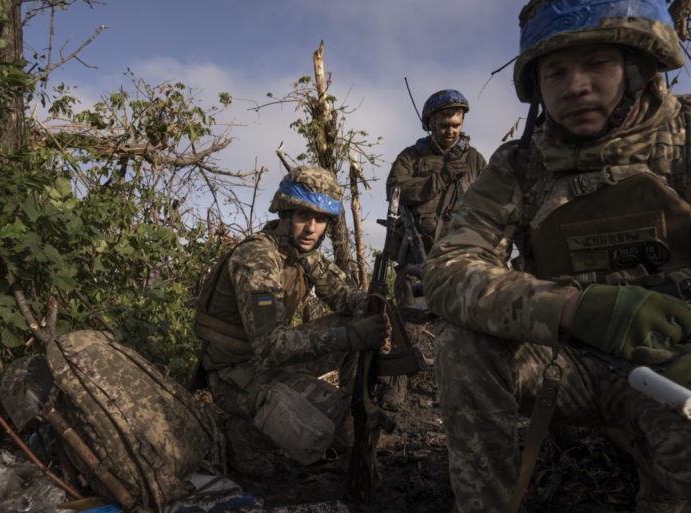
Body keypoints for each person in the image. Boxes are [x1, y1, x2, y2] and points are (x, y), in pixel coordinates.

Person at [422, 1, 691, 512]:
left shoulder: (684, 138)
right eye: (556, 72)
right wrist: (573, 310)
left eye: (597, 64)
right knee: (463, 344)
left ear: (636, 67)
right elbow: (447, 268)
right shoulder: (521, 164)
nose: (575, 86)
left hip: (675, 366)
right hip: (571, 362)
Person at [193, 165, 391, 474]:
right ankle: (243, 435)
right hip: (235, 374)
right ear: (285, 215)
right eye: (303, 217)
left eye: (321, 219)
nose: (312, 228)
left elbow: (343, 294)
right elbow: (271, 346)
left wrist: (378, 307)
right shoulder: (257, 259)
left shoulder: (302, 253)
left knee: (350, 424)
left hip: (269, 362)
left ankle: (350, 404)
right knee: (319, 434)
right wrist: (349, 337)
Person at [382, 90, 487, 408]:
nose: (451, 131)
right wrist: (438, 179)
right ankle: (398, 391)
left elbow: (492, 200)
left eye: (456, 124)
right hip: (416, 255)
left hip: (462, 258)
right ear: (430, 124)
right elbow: (394, 190)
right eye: (444, 125)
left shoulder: (474, 159)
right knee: (408, 327)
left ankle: (464, 389)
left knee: (465, 327)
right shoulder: (411, 157)